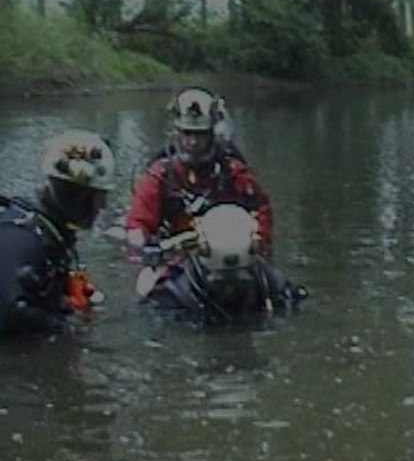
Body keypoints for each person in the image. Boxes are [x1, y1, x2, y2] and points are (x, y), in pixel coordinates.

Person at [124, 86, 273, 258]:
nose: (193, 142)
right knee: (150, 283)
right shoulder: (160, 176)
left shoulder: (233, 172)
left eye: (200, 135)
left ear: (211, 135)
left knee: (279, 284)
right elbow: (137, 223)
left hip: (234, 260)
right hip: (177, 266)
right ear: (177, 134)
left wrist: (259, 237)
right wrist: (142, 245)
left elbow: (261, 208)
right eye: (187, 134)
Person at [0, 130, 116, 336]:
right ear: (79, 197)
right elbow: (10, 310)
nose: (103, 205)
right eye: (100, 196)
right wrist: (64, 330)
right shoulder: (23, 238)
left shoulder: (49, 232)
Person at [139, 203, 307, 326]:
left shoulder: (269, 281)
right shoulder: (174, 294)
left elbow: (297, 298)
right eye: (220, 282)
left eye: (239, 281)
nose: (229, 290)